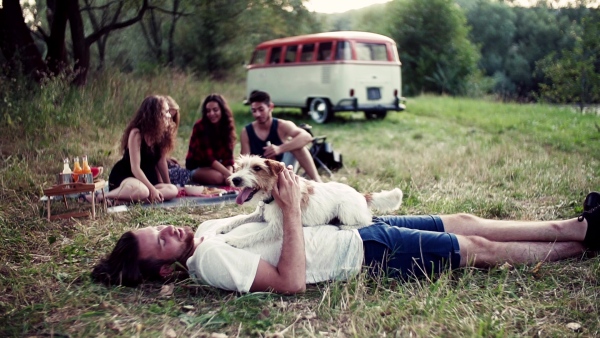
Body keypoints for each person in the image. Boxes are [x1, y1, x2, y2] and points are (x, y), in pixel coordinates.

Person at [92, 167, 600, 293]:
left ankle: (577, 227)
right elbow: (290, 281)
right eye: (162, 240)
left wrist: (292, 190)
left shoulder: (204, 229)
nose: (171, 231)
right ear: (164, 270)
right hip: (359, 251)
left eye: (161, 226)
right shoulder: (207, 262)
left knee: (463, 221)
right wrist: (289, 209)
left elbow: (255, 204)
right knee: (476, 248)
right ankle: (582, 247)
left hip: (341, 222)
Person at [98, 95, 179, 204]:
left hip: (148, 180)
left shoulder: (162, 134)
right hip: (128, 176)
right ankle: (103, 196)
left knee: (172, 190)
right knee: (142, 191)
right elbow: (135, 168)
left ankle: (122, 201)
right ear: (155, 115)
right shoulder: (136, 133)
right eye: (166, 112)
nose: (169, 116)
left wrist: (168, 184)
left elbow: (161, 162)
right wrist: (152, 189)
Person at [241, 90, 322, 182]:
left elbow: (307, 137)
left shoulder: (282, 125)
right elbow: (245, 161)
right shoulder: (247, 131)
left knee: (298, 146)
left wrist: (279, 149)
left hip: (282, 170)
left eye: (261, 109)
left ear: (270, 107)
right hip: (259, 174)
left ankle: (317, 181)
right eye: (254, 110)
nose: (257, 114)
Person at [185, 94, 236, 185]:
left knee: (229, 178)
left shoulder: (227, 126)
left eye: (215, 110)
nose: (211, 114)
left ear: (222, 110)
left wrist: (230, 173)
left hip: (219, 166)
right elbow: (209, 159)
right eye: (208, 111)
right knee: (219, 178)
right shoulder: (200, 126)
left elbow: (229, 158)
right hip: (198, 167)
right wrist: (229, 174)